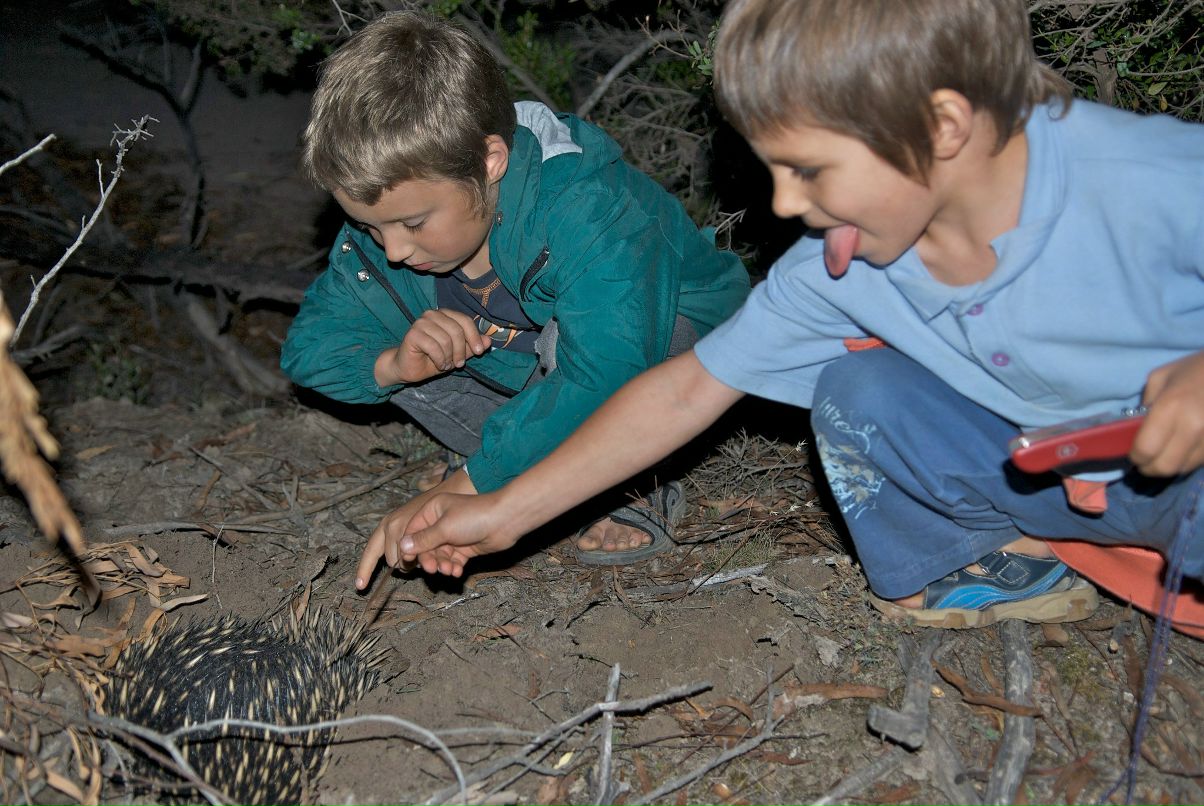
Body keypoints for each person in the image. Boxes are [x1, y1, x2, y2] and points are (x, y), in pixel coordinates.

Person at [387, 0, 1204, 632]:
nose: (783, 202)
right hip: (1051, 476)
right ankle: (1004, 562)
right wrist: (504, 512)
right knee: (858, 389)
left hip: (1184, 473)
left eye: (807, 168)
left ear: (942, 124)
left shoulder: (1134, 176)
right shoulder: (845, 262)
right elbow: (685, 392)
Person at [280, 11, 750, 588]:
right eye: (370, 227)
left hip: (665, 353)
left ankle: (625, 482)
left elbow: (606, 368)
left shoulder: (585, 204)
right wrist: (393, 363)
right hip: (532, 383)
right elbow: (308, 348)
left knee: (575, 343)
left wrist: (467, 484)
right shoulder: (384, 236)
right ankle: (522, 459)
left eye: (413, 223)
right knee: (410, 349)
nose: (394, 250)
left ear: (489, 161)